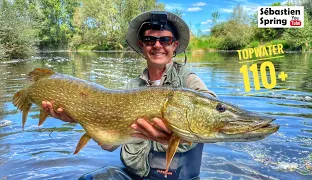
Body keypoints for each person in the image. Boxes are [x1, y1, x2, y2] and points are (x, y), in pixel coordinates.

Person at [42, 11, 216, 180]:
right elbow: (110, 144)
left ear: (174, 45)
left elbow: (211, 110)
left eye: (165, 40)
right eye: (149, 40)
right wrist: (82, 118)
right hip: (134, 175)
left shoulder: (189, 81)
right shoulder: (131, 88)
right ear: (141, 45)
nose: (157, 45)